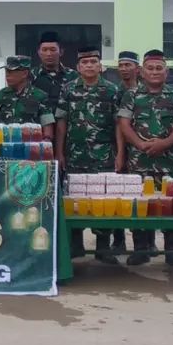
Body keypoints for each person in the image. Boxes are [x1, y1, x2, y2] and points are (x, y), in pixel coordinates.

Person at [118, 49, 173, 266]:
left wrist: (165, 143)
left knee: (172, 206)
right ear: (142, 72)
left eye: (159, 68)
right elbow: (124, 124)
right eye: (150, 68)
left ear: (166, 72)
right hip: (139, 162)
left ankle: (172, 251)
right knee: (139, 206)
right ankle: (141, 249)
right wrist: (140, 144)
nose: (154, 72)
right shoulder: (131, 95)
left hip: (168, 162)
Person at [55, 47, 125, 262]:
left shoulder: (112, 90)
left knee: (103, 200)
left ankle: (103, 247)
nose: (89, 66)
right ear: (78, 67)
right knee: (74, 199)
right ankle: (76, 245)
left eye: (93, 62)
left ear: (100, 66)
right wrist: (59, 152)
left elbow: (119, 124)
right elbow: (61, 122)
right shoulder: (68, 89)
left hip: (104, 155)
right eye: (85, 63)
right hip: (75, 154)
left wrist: (120, 153)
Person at [0, 55, 55, 138]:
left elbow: (48, 129)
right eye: (6, 71)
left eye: (11, 71)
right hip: (3, 143)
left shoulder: (40, 96)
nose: (7, 75)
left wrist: (46, 141)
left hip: (29, 144)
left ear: (25, 73)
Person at [31, 31, 79, 114]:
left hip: (66, 119)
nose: (49, 54)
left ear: (61, 52)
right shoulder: (30, 76)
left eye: (53, 50)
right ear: (39, 52)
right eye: (44, 50)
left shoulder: (74, 76)